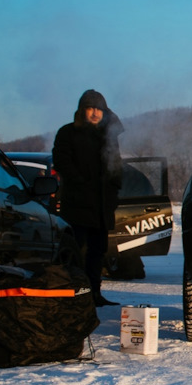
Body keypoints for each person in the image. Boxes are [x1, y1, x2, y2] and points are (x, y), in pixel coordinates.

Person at [52, 89, 124, 307]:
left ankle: (94, 294)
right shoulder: (68, 133)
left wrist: (114, 188)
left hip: (102, 206)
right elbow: (62, 162)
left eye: (99, 109)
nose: (94, 113)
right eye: (90, 108)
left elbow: (116, 165)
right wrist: (80, 182)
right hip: (77, 204)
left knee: (98, 252)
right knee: (77, 251)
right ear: (82, 110)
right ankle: (75, 294)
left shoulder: (107, 137)